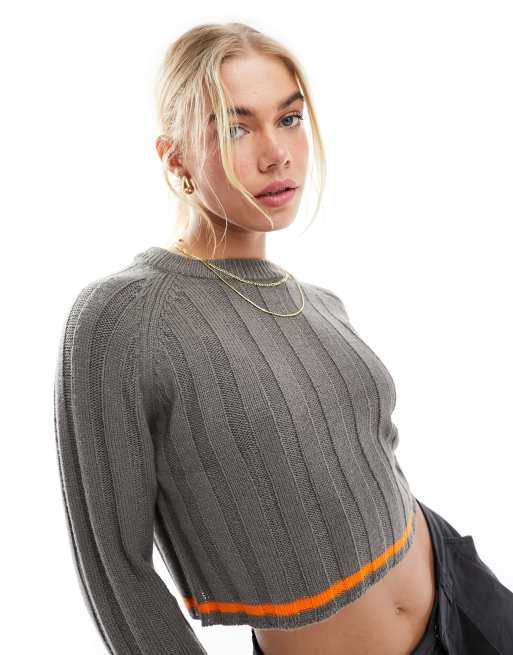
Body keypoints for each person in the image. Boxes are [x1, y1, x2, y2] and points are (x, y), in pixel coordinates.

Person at [54, 22, 513, 655]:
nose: (277, 154)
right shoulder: (124, 317)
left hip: (461, 585)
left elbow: (369, 463)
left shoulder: (319, 302)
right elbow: (115, 573)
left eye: (289, 119)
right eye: (236, 128)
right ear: (175, 157)